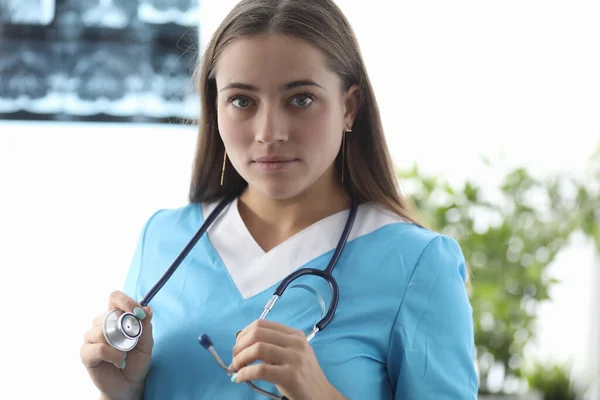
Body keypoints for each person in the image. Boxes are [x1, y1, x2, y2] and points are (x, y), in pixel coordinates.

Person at [80, 0, 479, 398]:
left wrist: (320, 393)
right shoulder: (163, 238)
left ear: (349, 107)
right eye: (242, 100)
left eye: (300, 99)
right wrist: (127, 392)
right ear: (214, 106)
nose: (270, 132)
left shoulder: (418, 264)